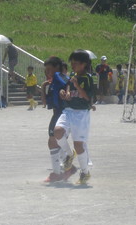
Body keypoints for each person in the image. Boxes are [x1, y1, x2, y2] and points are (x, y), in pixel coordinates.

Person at [54, 50, 94, 185]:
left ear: (84, 64)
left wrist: (77, 86)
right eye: (72, 64)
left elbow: (88, 98)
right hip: (68, 110)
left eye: (75, 64)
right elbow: (69, 87)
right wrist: (65, 93)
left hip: (81, 113)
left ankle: (85, 172)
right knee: (58, 131)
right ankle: (69, 155)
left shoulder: (88, 78)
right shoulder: (72, 75)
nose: (73, 66)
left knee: (79, 145)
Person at [41, 57, 76, 182]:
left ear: (57, 67)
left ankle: (61, 170)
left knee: (53, 141)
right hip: (57, 113)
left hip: (62, 113)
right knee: (54, 142)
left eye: (49, 69)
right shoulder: (54, 80)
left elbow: (68, 84)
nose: (47, 72)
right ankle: (64, 170)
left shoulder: (59, 77)